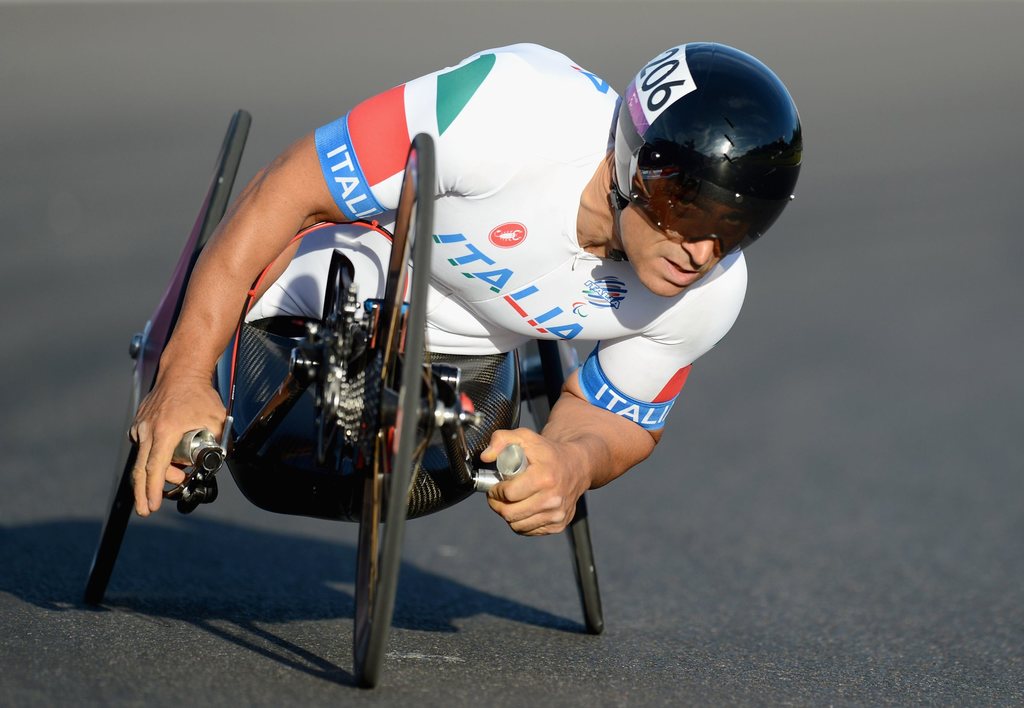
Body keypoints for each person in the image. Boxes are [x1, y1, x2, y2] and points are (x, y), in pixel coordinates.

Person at [129, 42, 802, 535]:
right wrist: (184, 371)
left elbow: (617, 415)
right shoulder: (508, 105)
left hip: (474, 370)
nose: (703, 252)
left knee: (444, 469)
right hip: (338, 279)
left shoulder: (710, 295)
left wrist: (569, 462)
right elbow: (292, 187)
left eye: (739, 226)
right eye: (688, 211)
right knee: (247, 416)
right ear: (633, 160)